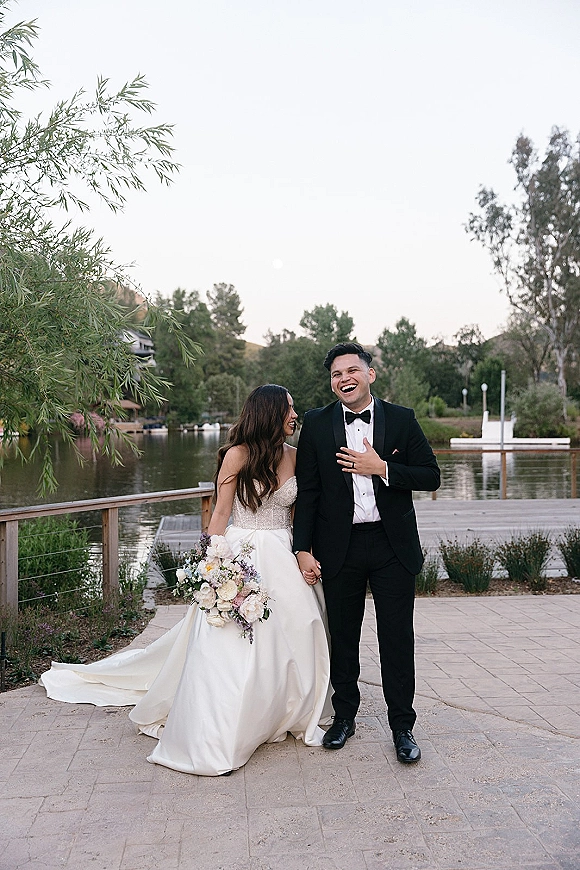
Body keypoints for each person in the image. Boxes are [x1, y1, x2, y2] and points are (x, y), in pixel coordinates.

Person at [40, 385, 331, 776]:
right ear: (269, 414)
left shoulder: (297, 456)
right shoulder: (236, 455)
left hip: (284, 549)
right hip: (242, 552)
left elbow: (301, 514)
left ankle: (289, 709)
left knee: (300, 624)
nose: (296, 415)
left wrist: (304, 551)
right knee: (232, 640)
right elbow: (220, 515)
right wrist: (213, 568)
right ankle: (232, 719)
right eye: (289, 409)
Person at [293, 343, 440, 763]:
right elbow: (309, 493)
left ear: (370, 374)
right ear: (332, 382)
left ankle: (402, 727)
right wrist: (301, 548)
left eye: (352, 370)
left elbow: (431, 476)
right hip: (340, 547)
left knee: (397, 640)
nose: (345, 379)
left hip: (393, 546)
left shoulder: (401, 420)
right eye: (337, 374)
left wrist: (384, 469)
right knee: (343, 637)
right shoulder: (317, 424)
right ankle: (344, 718)